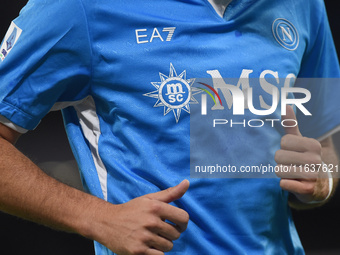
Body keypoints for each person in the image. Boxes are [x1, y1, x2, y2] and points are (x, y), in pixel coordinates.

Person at [0, 0, 339, 254]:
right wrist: (97, 217)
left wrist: (320, 178)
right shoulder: (79, 8)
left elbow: (325, 144)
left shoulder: (303, 5)